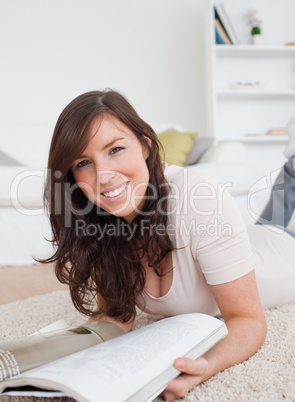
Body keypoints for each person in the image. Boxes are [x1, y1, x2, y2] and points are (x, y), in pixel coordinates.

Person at [42, 89, 295, 401]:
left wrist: (206, 364)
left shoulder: (198, 196)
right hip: (239, 236)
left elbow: (249, 321)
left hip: (282, 251)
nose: (103, 176)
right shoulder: (102, 221)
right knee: (269, 217)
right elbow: (115, 318)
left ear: (146, 146)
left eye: (116, 149)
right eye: (83, 162)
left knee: (281, 215)